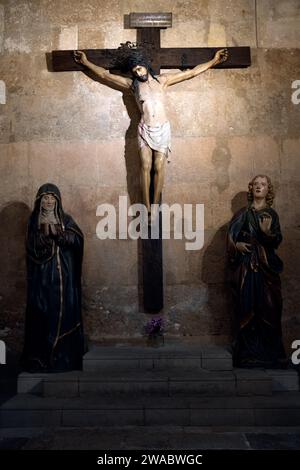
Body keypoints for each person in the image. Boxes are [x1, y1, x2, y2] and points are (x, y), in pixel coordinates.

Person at [73, 45, 228, 220]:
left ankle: (154, 207)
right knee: (145, 166)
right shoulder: (133, 85)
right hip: (145, 129)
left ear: (145, 65)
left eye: (139, 68)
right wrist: (86, 62)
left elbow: (191, 73)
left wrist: (214, 61)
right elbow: (104, 75)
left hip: (162, 129)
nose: (138, 73)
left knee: (159, 167)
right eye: (134, 71)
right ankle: (146, 207)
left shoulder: (163, 81)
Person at [21, 183, 84, 372]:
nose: (48, 202)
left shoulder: (66, 219)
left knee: (64, 314)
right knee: (42, 314)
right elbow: (30, 246)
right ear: (39, 201)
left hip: (64, 278)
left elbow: (78, 239)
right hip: (42, 280)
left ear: (57, 201)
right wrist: (41, 239)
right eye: (45, 198)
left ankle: (64, 358)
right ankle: (41, 358)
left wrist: (63, 236)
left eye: (52, 199)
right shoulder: (33, 222)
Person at [227, 175, 287, 368]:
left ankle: (271, 352)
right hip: (247, 267)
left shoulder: (271, 215)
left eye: (264, 184)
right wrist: (236, 245)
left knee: (270, 306)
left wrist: (267, 232)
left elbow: (276, 240)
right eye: (256, 184)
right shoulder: (243, 214)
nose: (259, 187)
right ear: (251, 188)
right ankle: (248, 353)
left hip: (266, 268)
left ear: (268, 190)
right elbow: (230, 237)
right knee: (247, 307)